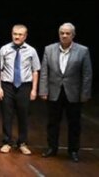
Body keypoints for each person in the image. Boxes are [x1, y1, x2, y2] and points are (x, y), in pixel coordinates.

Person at [39, 23, 93, 162]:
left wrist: (85, 94)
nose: (64, 35)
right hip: (54, 91)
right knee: (52, 122)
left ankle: (73, 151)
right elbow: (44, 72)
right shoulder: (49, 49)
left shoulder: (83, 51)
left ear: (73, 35)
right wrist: (43, 90)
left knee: (74, 123)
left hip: (73, 93)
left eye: (67, 33)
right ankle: (52, 148)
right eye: (62, 33)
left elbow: (87, 74)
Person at [0, 24, 40, 155]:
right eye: (14, 34)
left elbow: (35, 70)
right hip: (7, 85)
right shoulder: (4, 49)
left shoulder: (31, 51)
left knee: (23, 115)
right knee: (7, 115)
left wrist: (34, 90)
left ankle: (22, 143)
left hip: (24, 86)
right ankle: (6, 142)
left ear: (25, 36)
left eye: (20, 34)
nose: (17, 36)